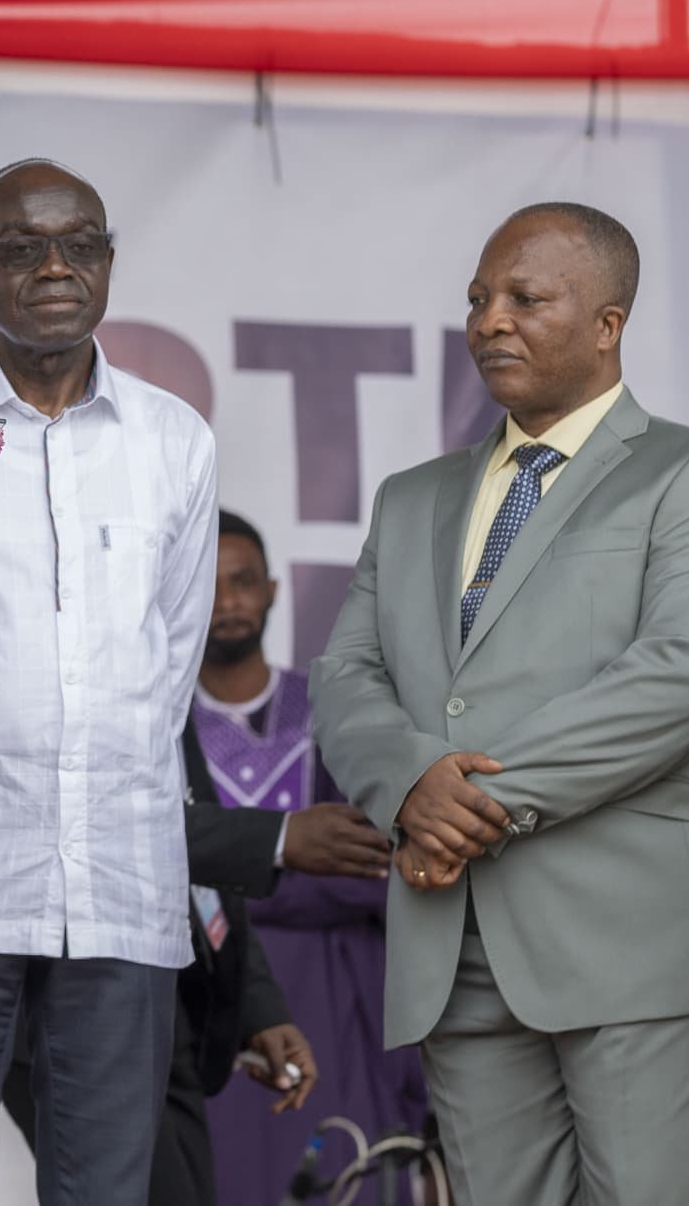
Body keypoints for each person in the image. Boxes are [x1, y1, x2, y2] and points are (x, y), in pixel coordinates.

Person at [312, 202, 689, 1206]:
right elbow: (344, 675)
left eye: (524, 299)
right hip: (457, 941)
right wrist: (408, 790)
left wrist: (465, 811)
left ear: (606, 323)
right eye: (478, 300)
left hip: (644, 928)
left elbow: (686, 669)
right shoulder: (411, 496)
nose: (489, 320)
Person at [0, 158, 218, 1206]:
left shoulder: (171, 439)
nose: (56, 267)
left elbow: (169, 664)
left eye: (81, 245)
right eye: (22, 248)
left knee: (106, 1190)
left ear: (109, 263)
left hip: (118, 882)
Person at [195, 509, 427, 1195]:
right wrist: (294, 857)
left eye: (240, 582)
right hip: (212, 990)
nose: (227, 602)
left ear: (269, 590)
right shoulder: (160, 721)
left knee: (341, 1167)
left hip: (331, 995)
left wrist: (233, 872)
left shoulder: (330, 712)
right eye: (206, 587)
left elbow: (371, 865)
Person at [2, 718, 314, 1206]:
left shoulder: (160, 652)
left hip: (169, 996)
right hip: (61, 993)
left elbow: (189, 805)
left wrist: (258, 1003)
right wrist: (278, 837)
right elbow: (104, 818)